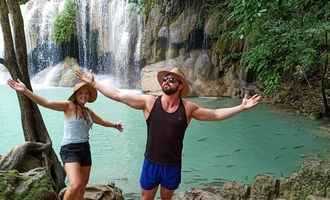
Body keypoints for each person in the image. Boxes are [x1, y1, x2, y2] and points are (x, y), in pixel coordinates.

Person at [76, 67, 261, 200]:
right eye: (165, 79)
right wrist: (94, 83)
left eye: (172, 79)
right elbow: (117, 94)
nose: (166, 81)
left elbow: (215, 114)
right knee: (146, 198)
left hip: (172, 166)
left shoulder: (188, 108)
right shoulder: (149, 102)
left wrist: (241, 107)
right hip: (151, 163)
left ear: (180, 86)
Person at [7, 79, 123, 200]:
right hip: (70, 149)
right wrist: (25, 91)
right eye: (81, 93)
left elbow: (102, 122)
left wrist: (115, 125)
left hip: (85, 150)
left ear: (89, 96)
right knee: (75, 185)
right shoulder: (68, 106)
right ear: (76, 95)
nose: (84, 95)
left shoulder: (88, 112)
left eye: (86, 93)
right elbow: (46, 102)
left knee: (82, 186)